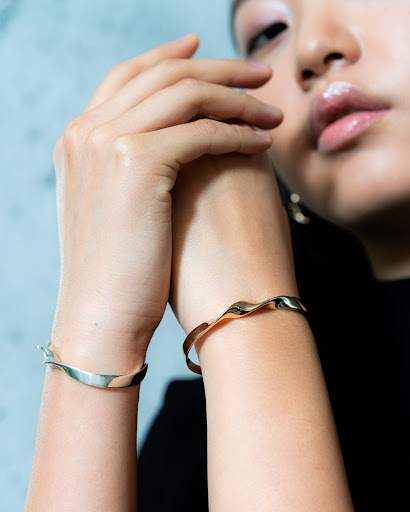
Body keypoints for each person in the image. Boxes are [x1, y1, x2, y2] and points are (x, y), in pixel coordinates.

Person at [25, 0, 410, 510]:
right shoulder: (191, 441)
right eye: (269, 31)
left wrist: (250, 310)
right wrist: (96, 323)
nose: (312, 48)